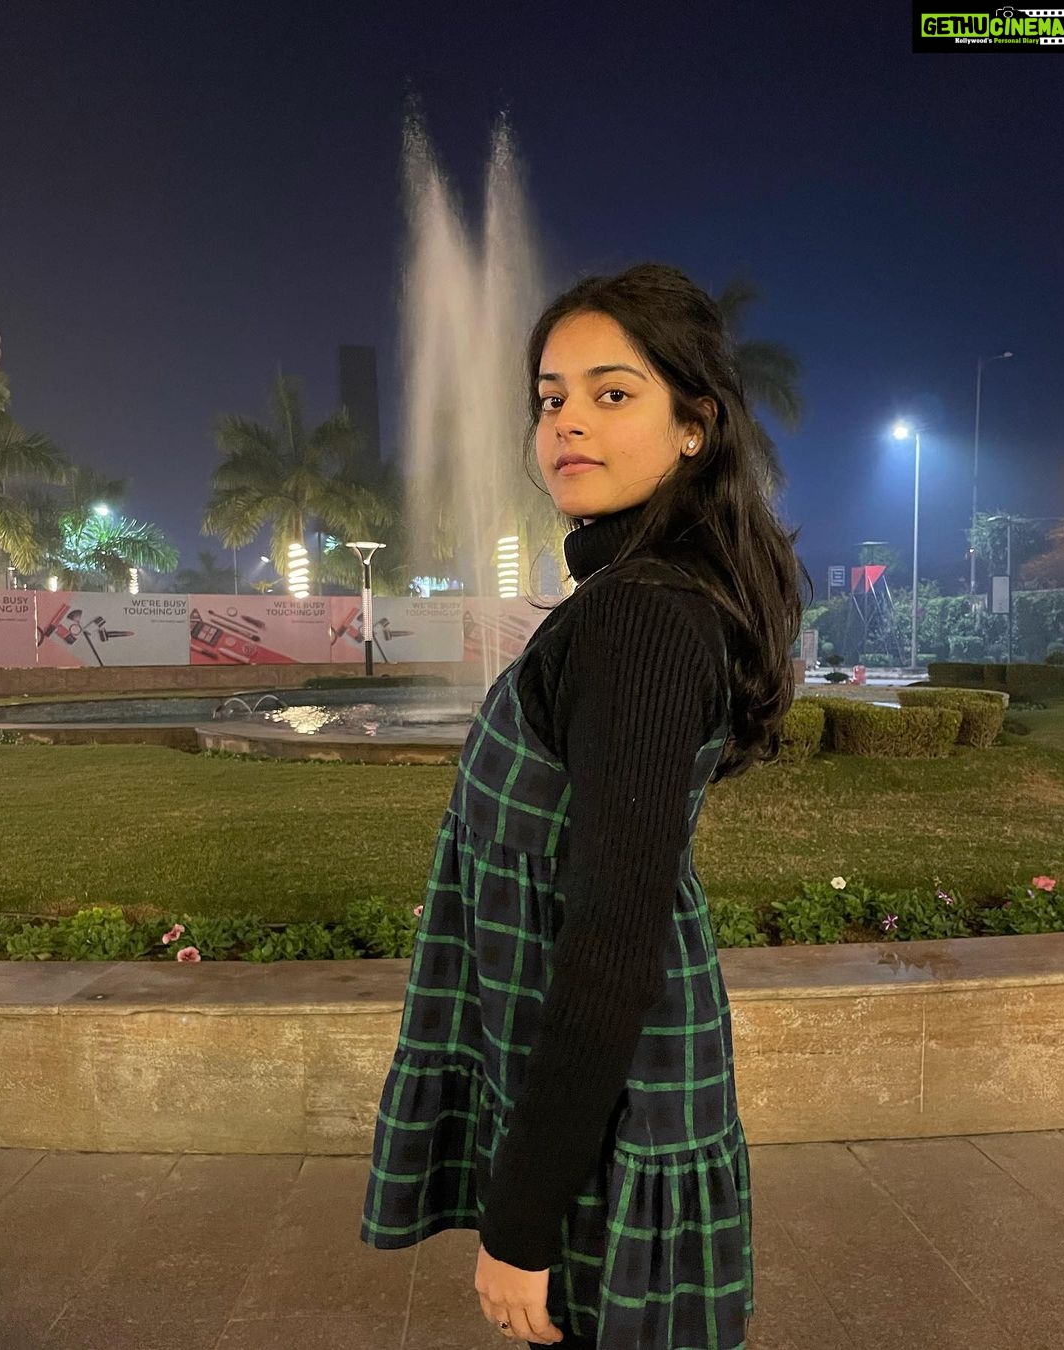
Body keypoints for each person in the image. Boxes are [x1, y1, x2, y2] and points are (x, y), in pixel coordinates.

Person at [360, 262, 812, 1348]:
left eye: (613, 394)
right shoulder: (633, 595)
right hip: (609, 1094)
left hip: (609, 1116)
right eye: (551, 397)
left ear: (694, 425)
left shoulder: (639, 618)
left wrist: (521, 1221)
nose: (568, 421)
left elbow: (612, 937)